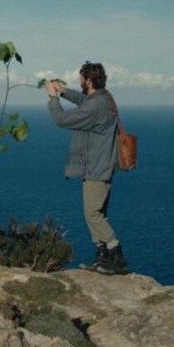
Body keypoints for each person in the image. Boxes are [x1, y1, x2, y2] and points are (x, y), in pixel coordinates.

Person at [45, 61, 129, 275]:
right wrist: (64, 91)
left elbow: (62, 119)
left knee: (93, 215)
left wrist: (53, 98)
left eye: (81, 79)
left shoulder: (95, 106)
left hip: (97, 168)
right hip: (103, 165)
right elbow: (85, 100)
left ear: (89, 81)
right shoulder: (104, 97)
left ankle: (116, 256)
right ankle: (103, 258)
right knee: (98, 213)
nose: (80, 82)